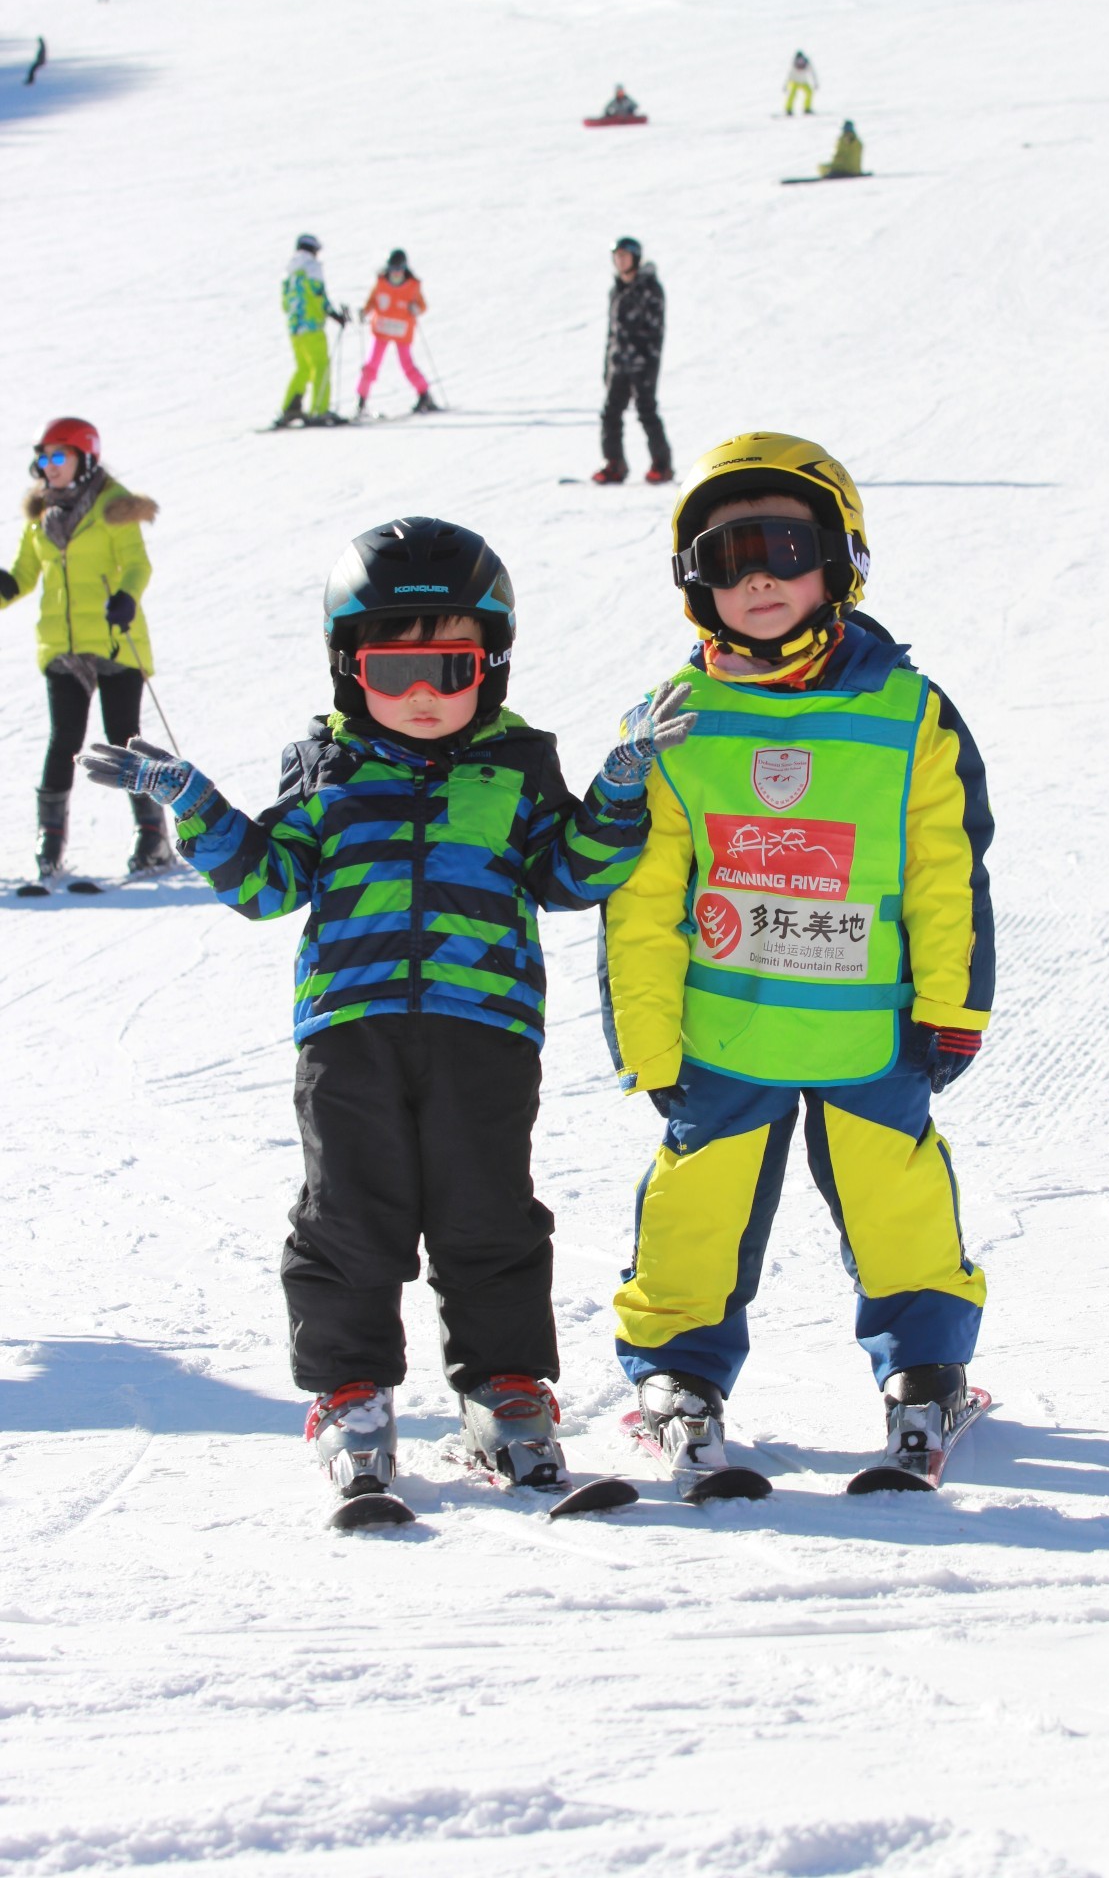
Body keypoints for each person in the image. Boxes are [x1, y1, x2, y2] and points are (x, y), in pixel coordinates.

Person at [79, 515, 694, 1510]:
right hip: (349, 1033)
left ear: (489, 667)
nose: (418, 695)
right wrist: (188, 797)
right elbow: (266, 883)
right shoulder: (324, 768)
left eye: (448, 669)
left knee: (486, 1213)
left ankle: (507, 1388)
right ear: (344, 666)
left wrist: (620, 785)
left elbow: (571, 874)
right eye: (389, 667)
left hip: (485, 1030)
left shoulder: (519, 763)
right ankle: (351, 1392)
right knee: (351, 1218)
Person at [599, 432, 994, 1490]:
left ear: (841, 557)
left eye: (784, 544)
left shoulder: (908, 713)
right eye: (727, 556)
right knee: (698, 1209)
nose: (759, 575)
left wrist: (953, 1006)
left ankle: (924, 1366)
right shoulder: (674, 723)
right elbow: (642, 896)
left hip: (873, 1030)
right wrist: (649, 1038)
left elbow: (943, 868)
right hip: (727, 1034)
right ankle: (679, 1369)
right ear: (696, 582)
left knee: (897, 1201)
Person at [0, 416, 172, 882]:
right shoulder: (41, 517)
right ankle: (49, 841)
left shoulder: (115, 506)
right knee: (64, 740)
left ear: (85, 456)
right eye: (43, 456)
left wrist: (125, 597)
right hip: (63, 644)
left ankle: (152, 835)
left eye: (59, 455)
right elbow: (22, 575)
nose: (48, 465)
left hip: (115, 638)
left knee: (124, 740)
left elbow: (137, 564)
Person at [594, 235, 672, 486]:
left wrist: (649, 366)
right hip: (619, 363)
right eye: (617, 257)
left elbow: (656, 332)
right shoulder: (616, 289)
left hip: (642, 364)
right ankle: (614, 464)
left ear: (635, 258)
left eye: (624, 257)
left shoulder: (649, 288)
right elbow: (612, 332)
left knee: (646, 411)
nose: (620, 261)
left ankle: (662, 465)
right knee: (610, 414)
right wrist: (608, 366)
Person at [276, 233, 348, 427]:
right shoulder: (311, 268)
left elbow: (285, 303)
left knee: (303, 368)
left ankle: (291, 407)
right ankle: (319, 410)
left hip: (294, 328)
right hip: (312, 326)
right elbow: (318, 296)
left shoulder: (289, 271)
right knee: (321, 366)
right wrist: (333, 315)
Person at [355, 250, 435, 417]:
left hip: (402, 331)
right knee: (371, 365)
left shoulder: (412, 286)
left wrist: (417, 309)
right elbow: (372, 301)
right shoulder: (381, 282)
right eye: (393, 270)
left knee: (407, 365)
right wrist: (365, 311)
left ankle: (424, 395)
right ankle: (361, 401)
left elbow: (423, 305)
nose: (395, 274)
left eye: (399, 270)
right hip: (382, 330)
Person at [785, 51, 818, 116]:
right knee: (792, 94)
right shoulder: (794, 65)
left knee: (809, 92)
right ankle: (789, 109)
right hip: (794, 82)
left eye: (801, 60)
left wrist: (815, 82)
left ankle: (807, 108)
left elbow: (813, 73)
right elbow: (789, 76)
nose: (800, 62)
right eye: (798, 60)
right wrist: (786, 85)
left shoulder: (807, 64)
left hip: (803, 82)